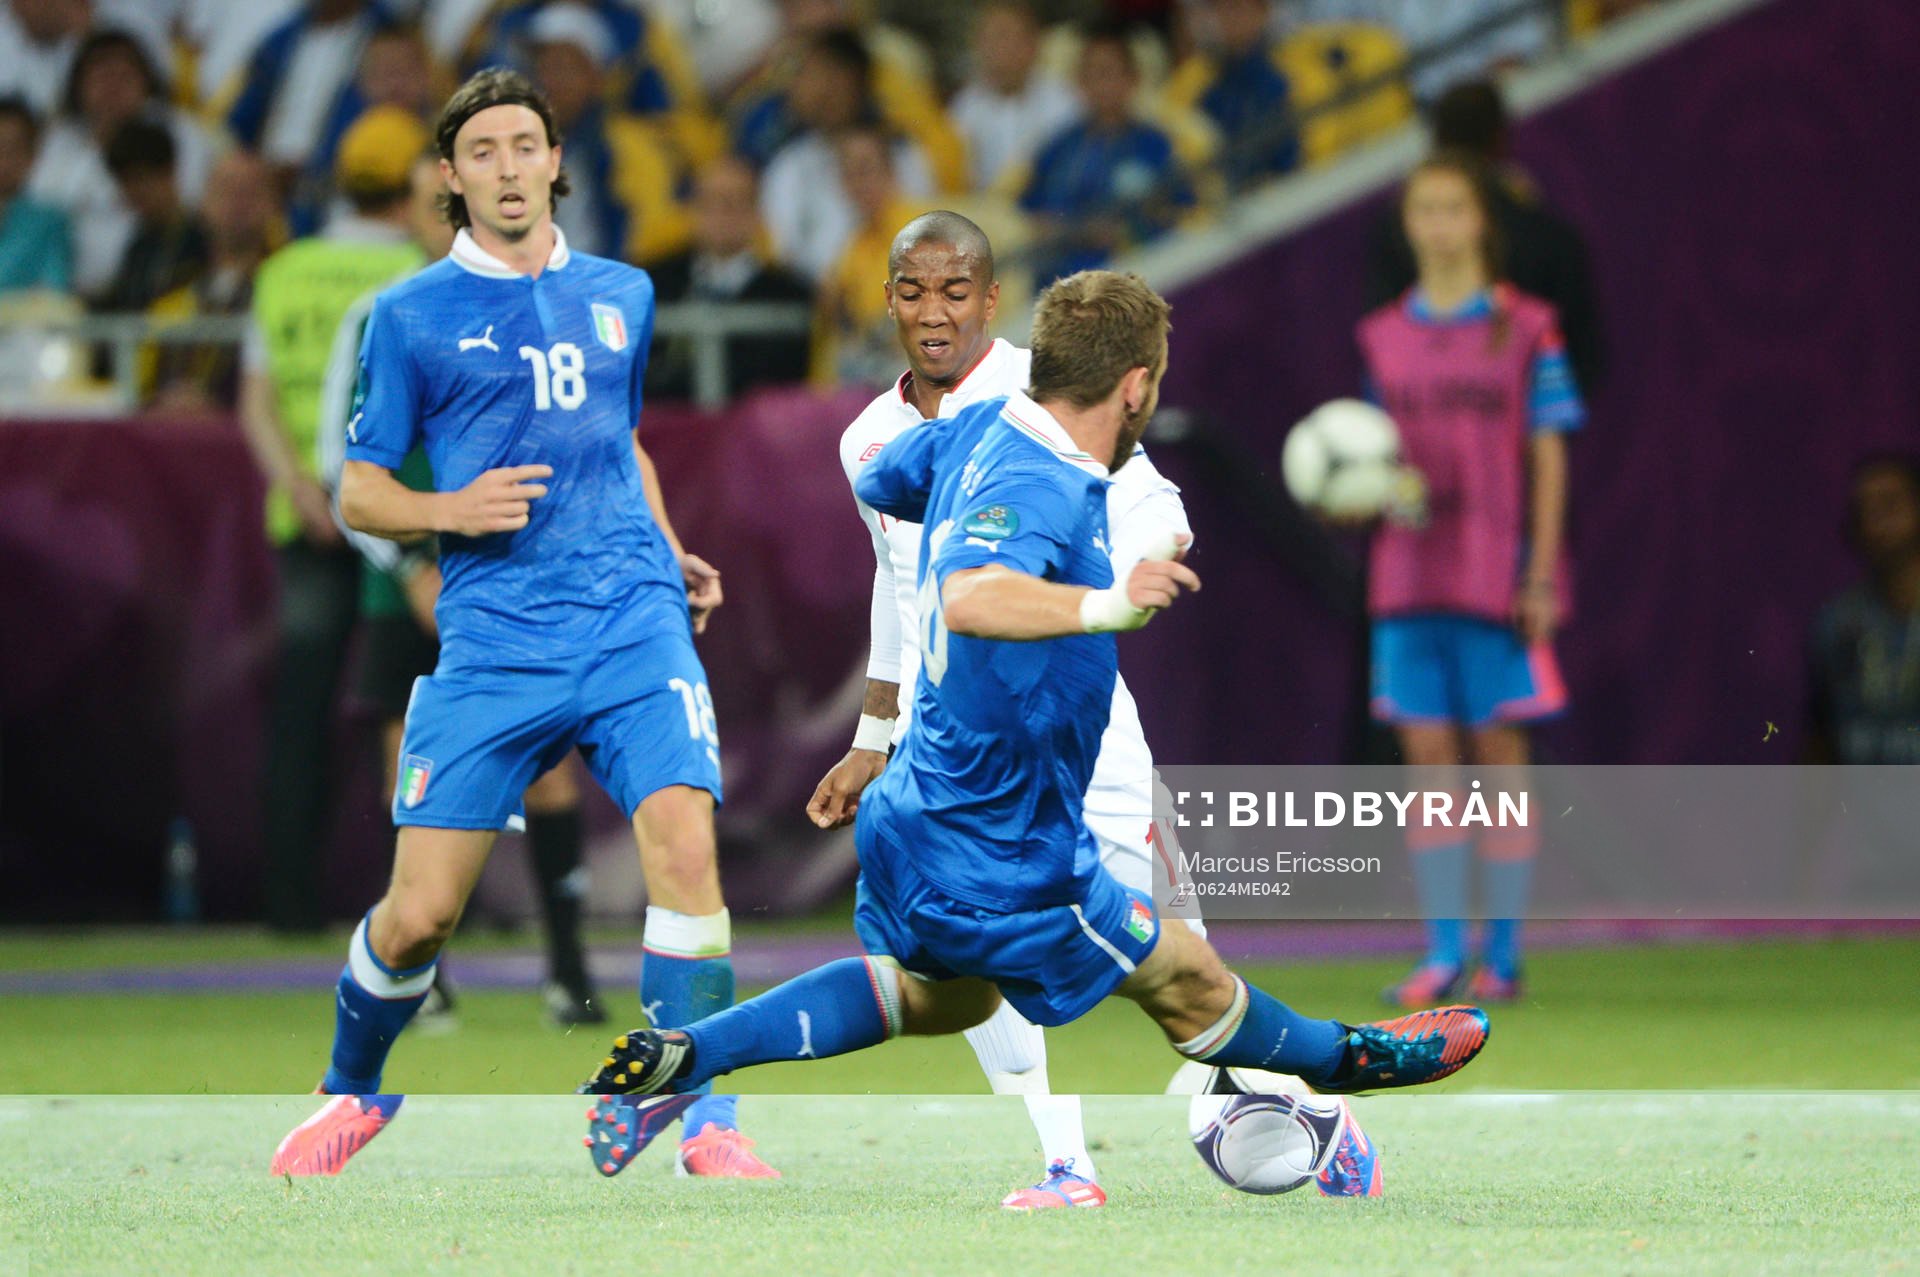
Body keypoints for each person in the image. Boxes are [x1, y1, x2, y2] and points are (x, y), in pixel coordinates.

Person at [582, 269, 1489, 1136]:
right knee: (1190, 979)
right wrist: (1106, 604)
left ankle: (700, 1048)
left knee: (942, 995)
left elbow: (879, 477)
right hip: (1008, 852)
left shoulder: (974, 431)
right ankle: (1351, 1059)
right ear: (1136, 387)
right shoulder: (1046, 482)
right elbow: (972, 593)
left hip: (915, 814)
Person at [269, 69, 771, 1181]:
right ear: (450, 178)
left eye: (525, 146)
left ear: (556, 161)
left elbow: (622, 439)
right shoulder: (408, 316)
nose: (507, 168)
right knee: (418, 916)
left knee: (685, 848)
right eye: (482, 151)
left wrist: (666, 541)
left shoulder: (624, 291)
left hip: (632, 618)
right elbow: (357, 491)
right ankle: (351, 1087)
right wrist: (445, 510)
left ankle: (706, 1119)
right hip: (496, 638)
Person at [312, 150, 605, 1027]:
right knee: (419, 769)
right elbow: (341, 462)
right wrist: (407, 565)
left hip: (520, 579)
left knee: (547, 770)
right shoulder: (383, 313)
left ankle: (570, 969)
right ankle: (422, 968)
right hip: (412, 577)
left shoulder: (549, 309)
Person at [1358, 151, 1584, 1009]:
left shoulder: (1529, 328)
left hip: (1496, 576)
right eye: (1427, 209)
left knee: (1499, 761)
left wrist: (1540, 569)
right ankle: (1444, 953)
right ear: (1410, 223)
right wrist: (1369, 492)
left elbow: (1550, 455)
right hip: (1407, 578)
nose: (1442, 225)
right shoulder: (1380, 336)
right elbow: (1371, 454)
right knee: (1427, 764)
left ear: (1481, 221)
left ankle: (1508, 954)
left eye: (1456, 208)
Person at [239, 107, 435, 935]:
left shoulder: (285, 267)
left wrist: (305, 485)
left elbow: (252, 399)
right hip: (404, 513)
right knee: (412, 706)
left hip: (315, 514)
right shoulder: (421, 266)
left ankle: (289, 902)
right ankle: (426, 905)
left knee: (303, 714)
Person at [1365, 80, 1603, 397]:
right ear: (1499, 137)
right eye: (1427, 213)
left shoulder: (1533, 316)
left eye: (1455, 212)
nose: (1439, 233)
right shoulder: (1548, 234)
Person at [1018, 21, 1194, 288]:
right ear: (1079, 83)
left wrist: (1128, 230)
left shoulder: (1155, 144)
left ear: (1132, 79)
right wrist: (1075, 231)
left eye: (1110, 72)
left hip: (1138, 283)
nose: (1102, 84)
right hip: (1057, 287)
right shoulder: (1058, 148)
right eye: (1092, 74)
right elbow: (1027, 218)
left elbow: (1181, 212)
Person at [643, 155, 814, 403]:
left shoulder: (791, 295)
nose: (723, 213)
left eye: (735, 202)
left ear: (757, 212)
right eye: (711, 201)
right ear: (693, 208)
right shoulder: (654, 283)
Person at [1808, 456, 1920, 766]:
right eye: (1865, 510)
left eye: (1890, 505)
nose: (1878, 521)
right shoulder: (1837, 623)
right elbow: (1821, 738)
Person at [948, 0, 1080, 193]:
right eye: (990, 38)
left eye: (1007, 37)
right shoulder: (964, 107)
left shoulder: (1065, 103)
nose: (998, 49)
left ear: (1034, 45)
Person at [96, 119, 209, 314]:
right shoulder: (139, 245)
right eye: (125, 183)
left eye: (140, 179)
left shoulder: (203, 238)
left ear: (169, 171)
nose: (134, 192)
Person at [0, 96, 71, 294]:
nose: (4, 160)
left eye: (14, 149)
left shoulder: (50, 220)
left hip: (23, 324)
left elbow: (54, 290)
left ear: (32, 155)